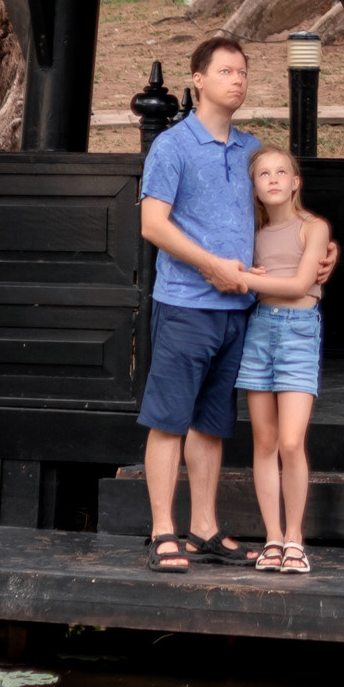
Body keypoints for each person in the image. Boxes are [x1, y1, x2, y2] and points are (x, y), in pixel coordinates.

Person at [135, 34, 260, 572]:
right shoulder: (172, 146)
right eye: (226, 71)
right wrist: (210, 265)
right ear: (199, 79)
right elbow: (153, 225)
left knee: (211, 424)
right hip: (186, 304)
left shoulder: (252, 149)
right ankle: (163, 531)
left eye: (243, 72)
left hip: (237, 310)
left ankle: (204, 528)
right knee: (169, 420)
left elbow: (275, 217)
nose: (237, 80)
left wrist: (315, 254)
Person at [233, 146, 332, 575]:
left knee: (291, 442)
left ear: (295, 182)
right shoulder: (250, 232)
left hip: (298, 332)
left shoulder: (313, 228)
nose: (272, 179)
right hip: (259, 331)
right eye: (263, 174)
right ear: (254, 187)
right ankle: (273, 538)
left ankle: (296, 538)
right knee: (264, 442)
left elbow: (300, 284)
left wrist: (247, 279)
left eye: (281, 172)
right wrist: (247, 278)